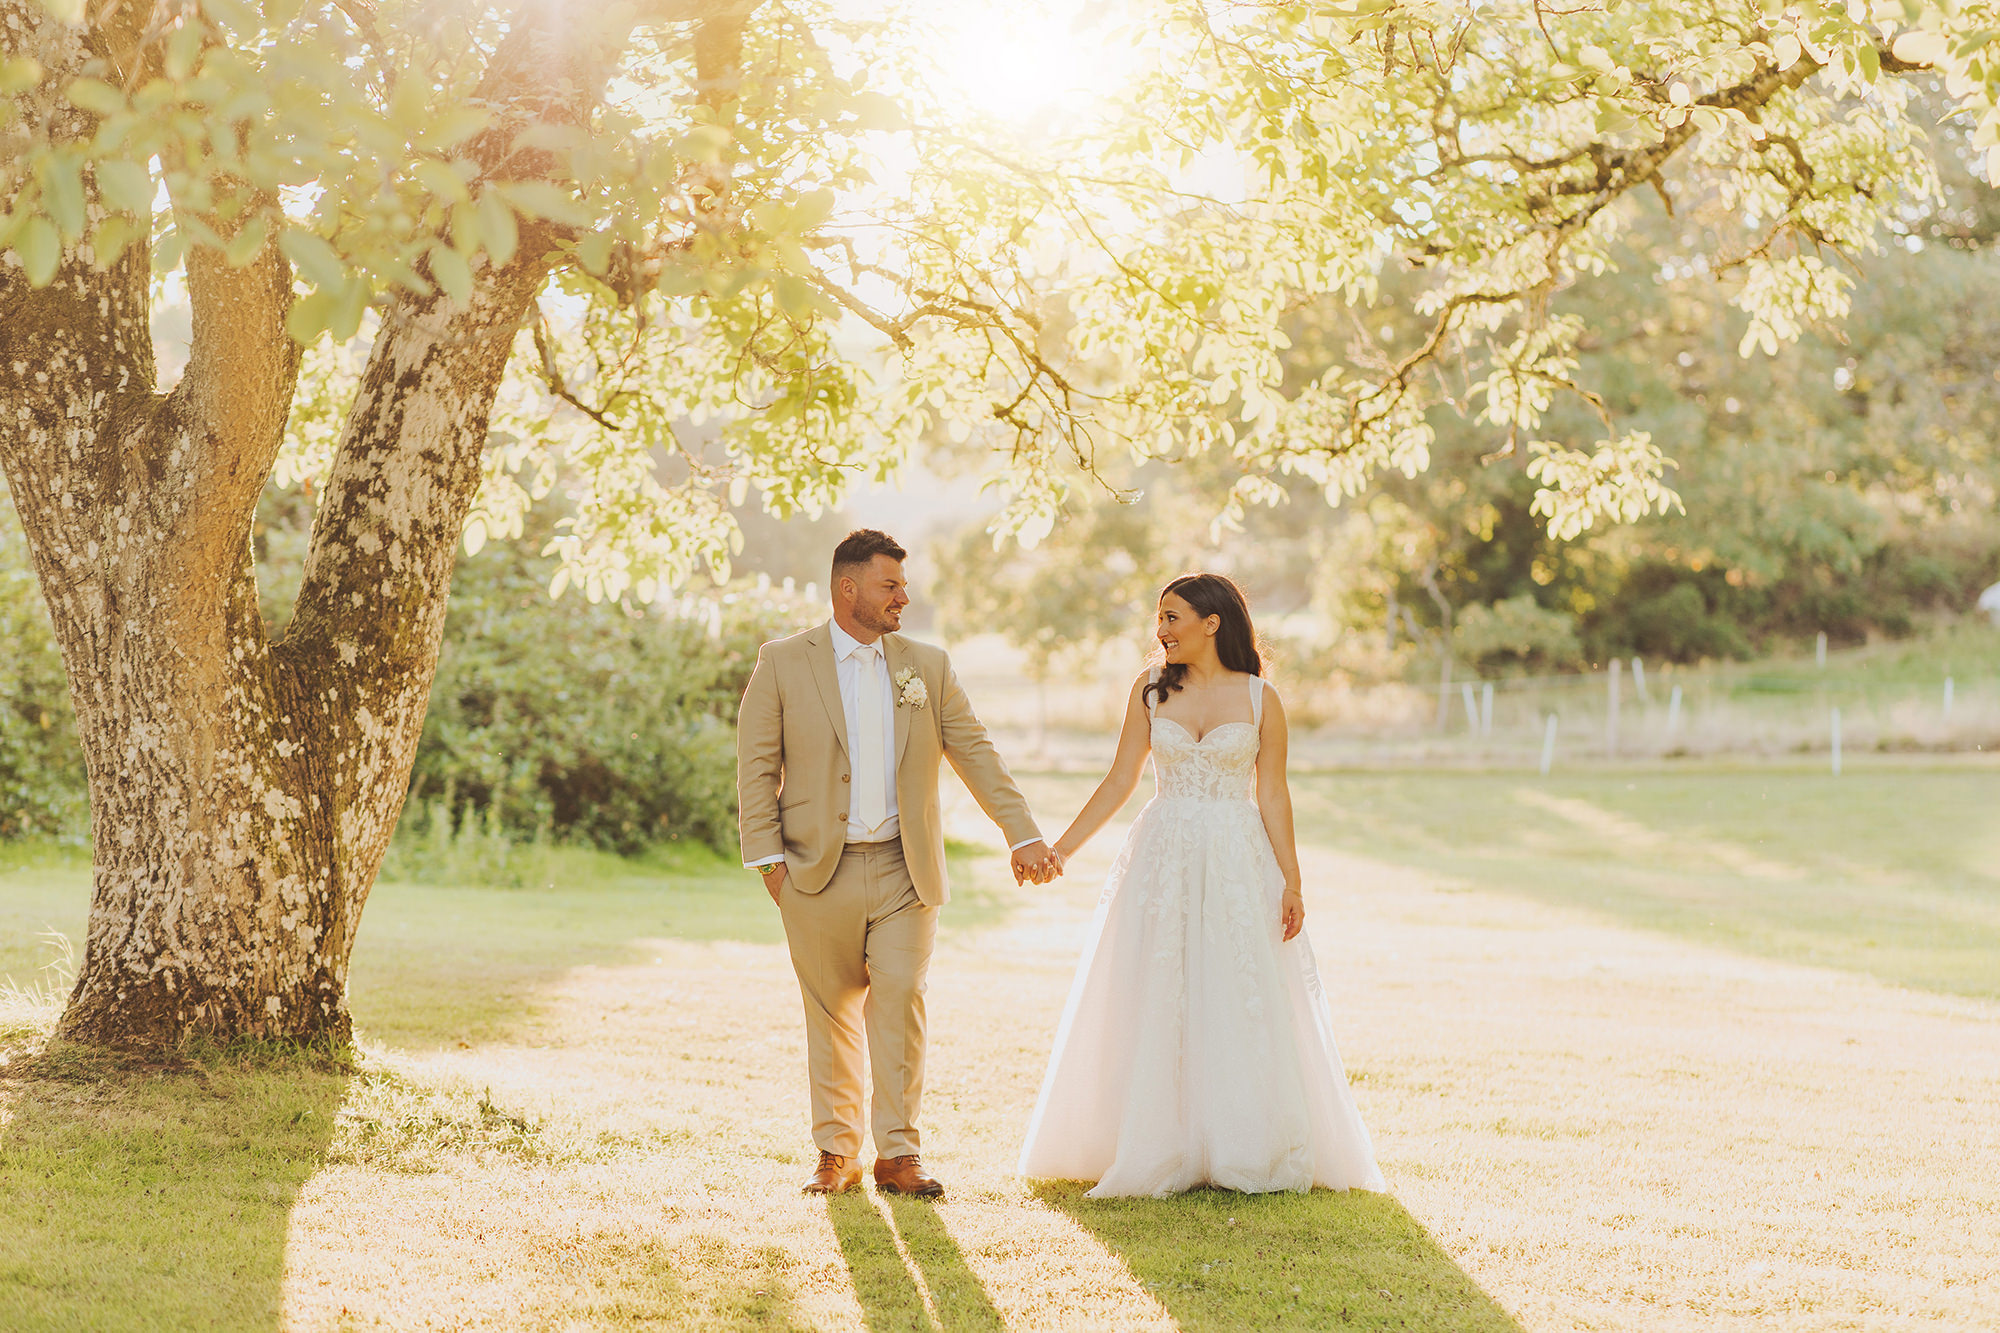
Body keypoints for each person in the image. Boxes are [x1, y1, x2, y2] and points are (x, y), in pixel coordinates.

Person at [1018, 572, 1384, 1197]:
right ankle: (1155, 1139)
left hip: (1236, 858)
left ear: (1212, 623)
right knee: (1158, 985)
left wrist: (1292, 882)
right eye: (1159, 618)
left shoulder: (1262, 699)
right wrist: (1062, 850)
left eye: (1172, 617)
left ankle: (1241, 1140)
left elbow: (1273, 793)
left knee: (1235, 987)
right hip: (1163, 855)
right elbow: (1119, 780)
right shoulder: (1150, 690)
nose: (1160, 630)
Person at [737, 529, 1062, 1199]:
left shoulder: (927, 666)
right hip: (813, 871)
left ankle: (898, 1154)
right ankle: (836, 1154)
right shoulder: (782, 661)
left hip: (905, 870)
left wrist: (1022, 833)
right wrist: (771, 866)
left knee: (902, 1002)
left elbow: (976, 751)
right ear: (847, 588)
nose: (903, 598)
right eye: (890, 585)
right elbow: (757, 767)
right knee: (830, 1014)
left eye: (904, 587)